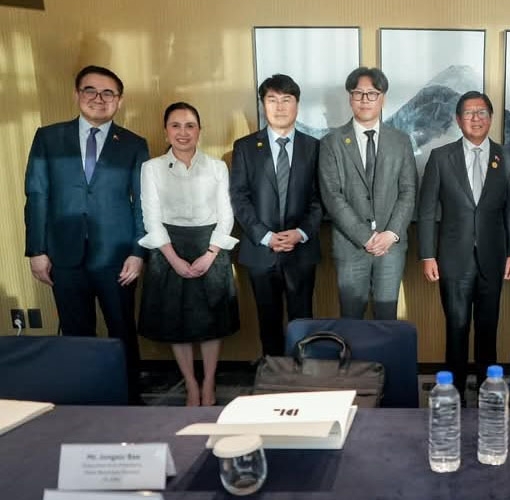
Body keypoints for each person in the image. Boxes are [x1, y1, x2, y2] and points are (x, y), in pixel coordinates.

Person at [24, 65, 149, 405]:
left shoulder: (134, 144)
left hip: (117, 257)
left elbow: (143, 203)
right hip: (63, 254)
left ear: (119, 101)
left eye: (108, 93)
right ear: (77, 94)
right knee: (76, 333)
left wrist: (138, 252)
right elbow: (37, 194)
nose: (99, 98)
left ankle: (129, 401)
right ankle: (84, 403)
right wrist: (36, 250)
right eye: (90, 90)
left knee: (122, 330)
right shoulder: (49, 138)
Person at [417, 92, 510, 401]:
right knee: (456, 328)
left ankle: (488, 394)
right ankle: (455, 394)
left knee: (488, 329)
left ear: (491, 118)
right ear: (458, 119)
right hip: (452, 258)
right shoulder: (441, 157)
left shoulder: (508, 157)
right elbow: (426, 211)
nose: (475, 118)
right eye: (468, 113)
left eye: (481, 112)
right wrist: (427, 255)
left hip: (493, 256)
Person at [138, 102, 239, 406]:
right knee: (176, 322)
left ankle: (208, 382)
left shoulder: (216, 167)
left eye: (190, 126)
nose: (183, 132)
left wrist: (211, 253)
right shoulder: (152, 168)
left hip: (210, 246)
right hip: (169, 248)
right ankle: (191, 384)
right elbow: (150, 218)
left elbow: (226, 215)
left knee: (211, 322)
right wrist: (174, 260)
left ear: (199, 130)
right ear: (165, 131)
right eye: (176, 126)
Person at [230, 74, 322, 357]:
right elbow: (239, 197)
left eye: (286, 99)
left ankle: (302, 374)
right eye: (272, 100)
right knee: (267, 322)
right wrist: (265, 236)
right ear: (263, 105)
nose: (279, 107)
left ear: (297, 104)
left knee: (302, 322)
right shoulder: (245, 147)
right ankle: (272, 373)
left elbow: (320, 199)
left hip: (301, 250)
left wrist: (301, 233)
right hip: (261, 250)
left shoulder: (314, 147)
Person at [319, 67, 417, 320]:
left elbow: (408, 191)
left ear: (382, 98)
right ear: (350, 98)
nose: (365, 99)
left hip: (390, 247)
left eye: (372, 93)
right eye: (358, 93)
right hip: (350, 246)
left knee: (387, 317)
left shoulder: (400, 141)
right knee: (351, 319)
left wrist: (391, 233)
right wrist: (365, 236)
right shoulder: (332, 142)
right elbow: (332, 196)